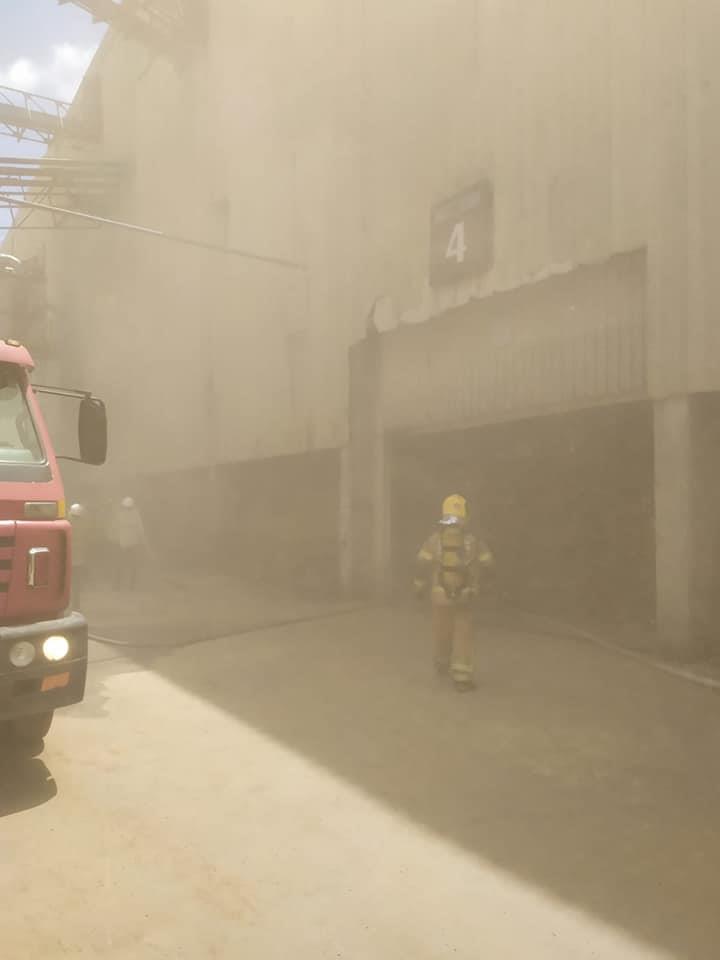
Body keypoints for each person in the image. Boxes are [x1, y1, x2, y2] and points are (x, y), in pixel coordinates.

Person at [413, 494, 494, 692]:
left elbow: (421, 563)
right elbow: (488, 562)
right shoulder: (473, 541)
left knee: (442, 630)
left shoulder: (433, 540)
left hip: (439, 595)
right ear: (465, 517)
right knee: (463, 634)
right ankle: (462, 677)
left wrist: (418, 587)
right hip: (465, 595)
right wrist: (486, 584)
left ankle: (441, 662)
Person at [108, 496, 146, 591]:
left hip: (123, 544)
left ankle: (118, 585)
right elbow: (140, 529)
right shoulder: (135, 514)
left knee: (121, 565)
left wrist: (113, 538)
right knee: (131, 565)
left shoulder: (120, 514)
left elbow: (114, 528)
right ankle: (129, 586)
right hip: (131, 543)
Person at [69, 502, 89, 610]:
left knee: (69, 583)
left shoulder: (67, 525)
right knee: (76, 583)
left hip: (69, 559)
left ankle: (68, 604)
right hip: (79, 560)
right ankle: (76, 605)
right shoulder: (84, 526)